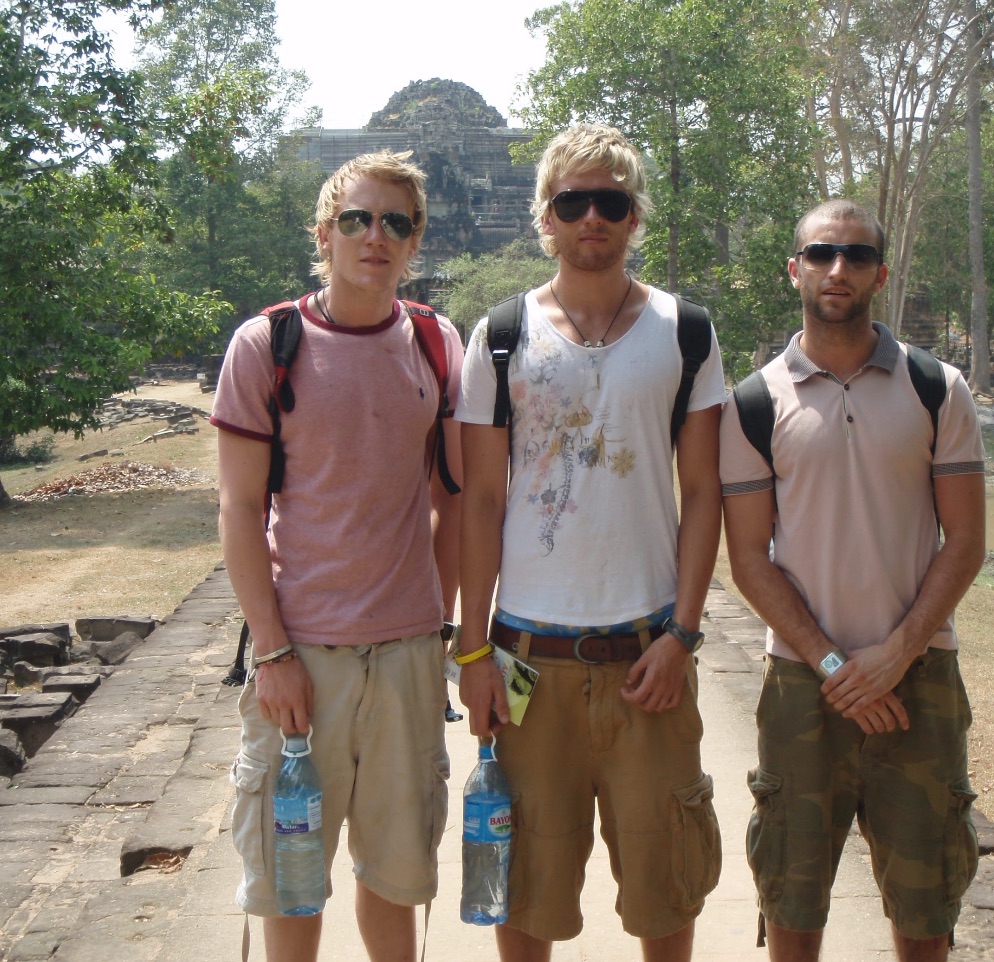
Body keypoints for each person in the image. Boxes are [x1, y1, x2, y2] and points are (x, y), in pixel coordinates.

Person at [456, 123, 726, 962]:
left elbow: (703, 493)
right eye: (573, 202)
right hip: (528, 666)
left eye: (611, 201)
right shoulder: (501, 335)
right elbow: (480, 503)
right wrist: (473, 652)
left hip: (650, 659)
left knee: (666, 889)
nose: (593, 218)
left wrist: (683, 635)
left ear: (635, 215)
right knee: (526, 895)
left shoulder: (685, 332)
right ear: (546, 217)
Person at [719, 199, 987, 962]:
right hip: (803, 684)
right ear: (794, 268)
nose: (839, 269)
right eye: (822, 253)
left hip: (920, 679)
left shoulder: (936, 388)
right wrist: (836, 665)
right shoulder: (753, 403)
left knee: (926, 903)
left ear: (880, 273)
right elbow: (749, 558)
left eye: (858, 256)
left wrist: (895, 655)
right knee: (792, 895)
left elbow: (966, 540)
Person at [212, 150, 462, 962]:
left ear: (414, 241)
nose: (375, 236)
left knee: (398, 876)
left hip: (406, 658)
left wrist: (438, 627)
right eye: (356, 219)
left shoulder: (435, 342)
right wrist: (272, 653)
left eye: (396, 222)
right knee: (290, 879)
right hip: (304, 657)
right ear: (325, 233)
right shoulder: (268, 343)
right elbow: (239, 510)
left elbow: (452, 499)